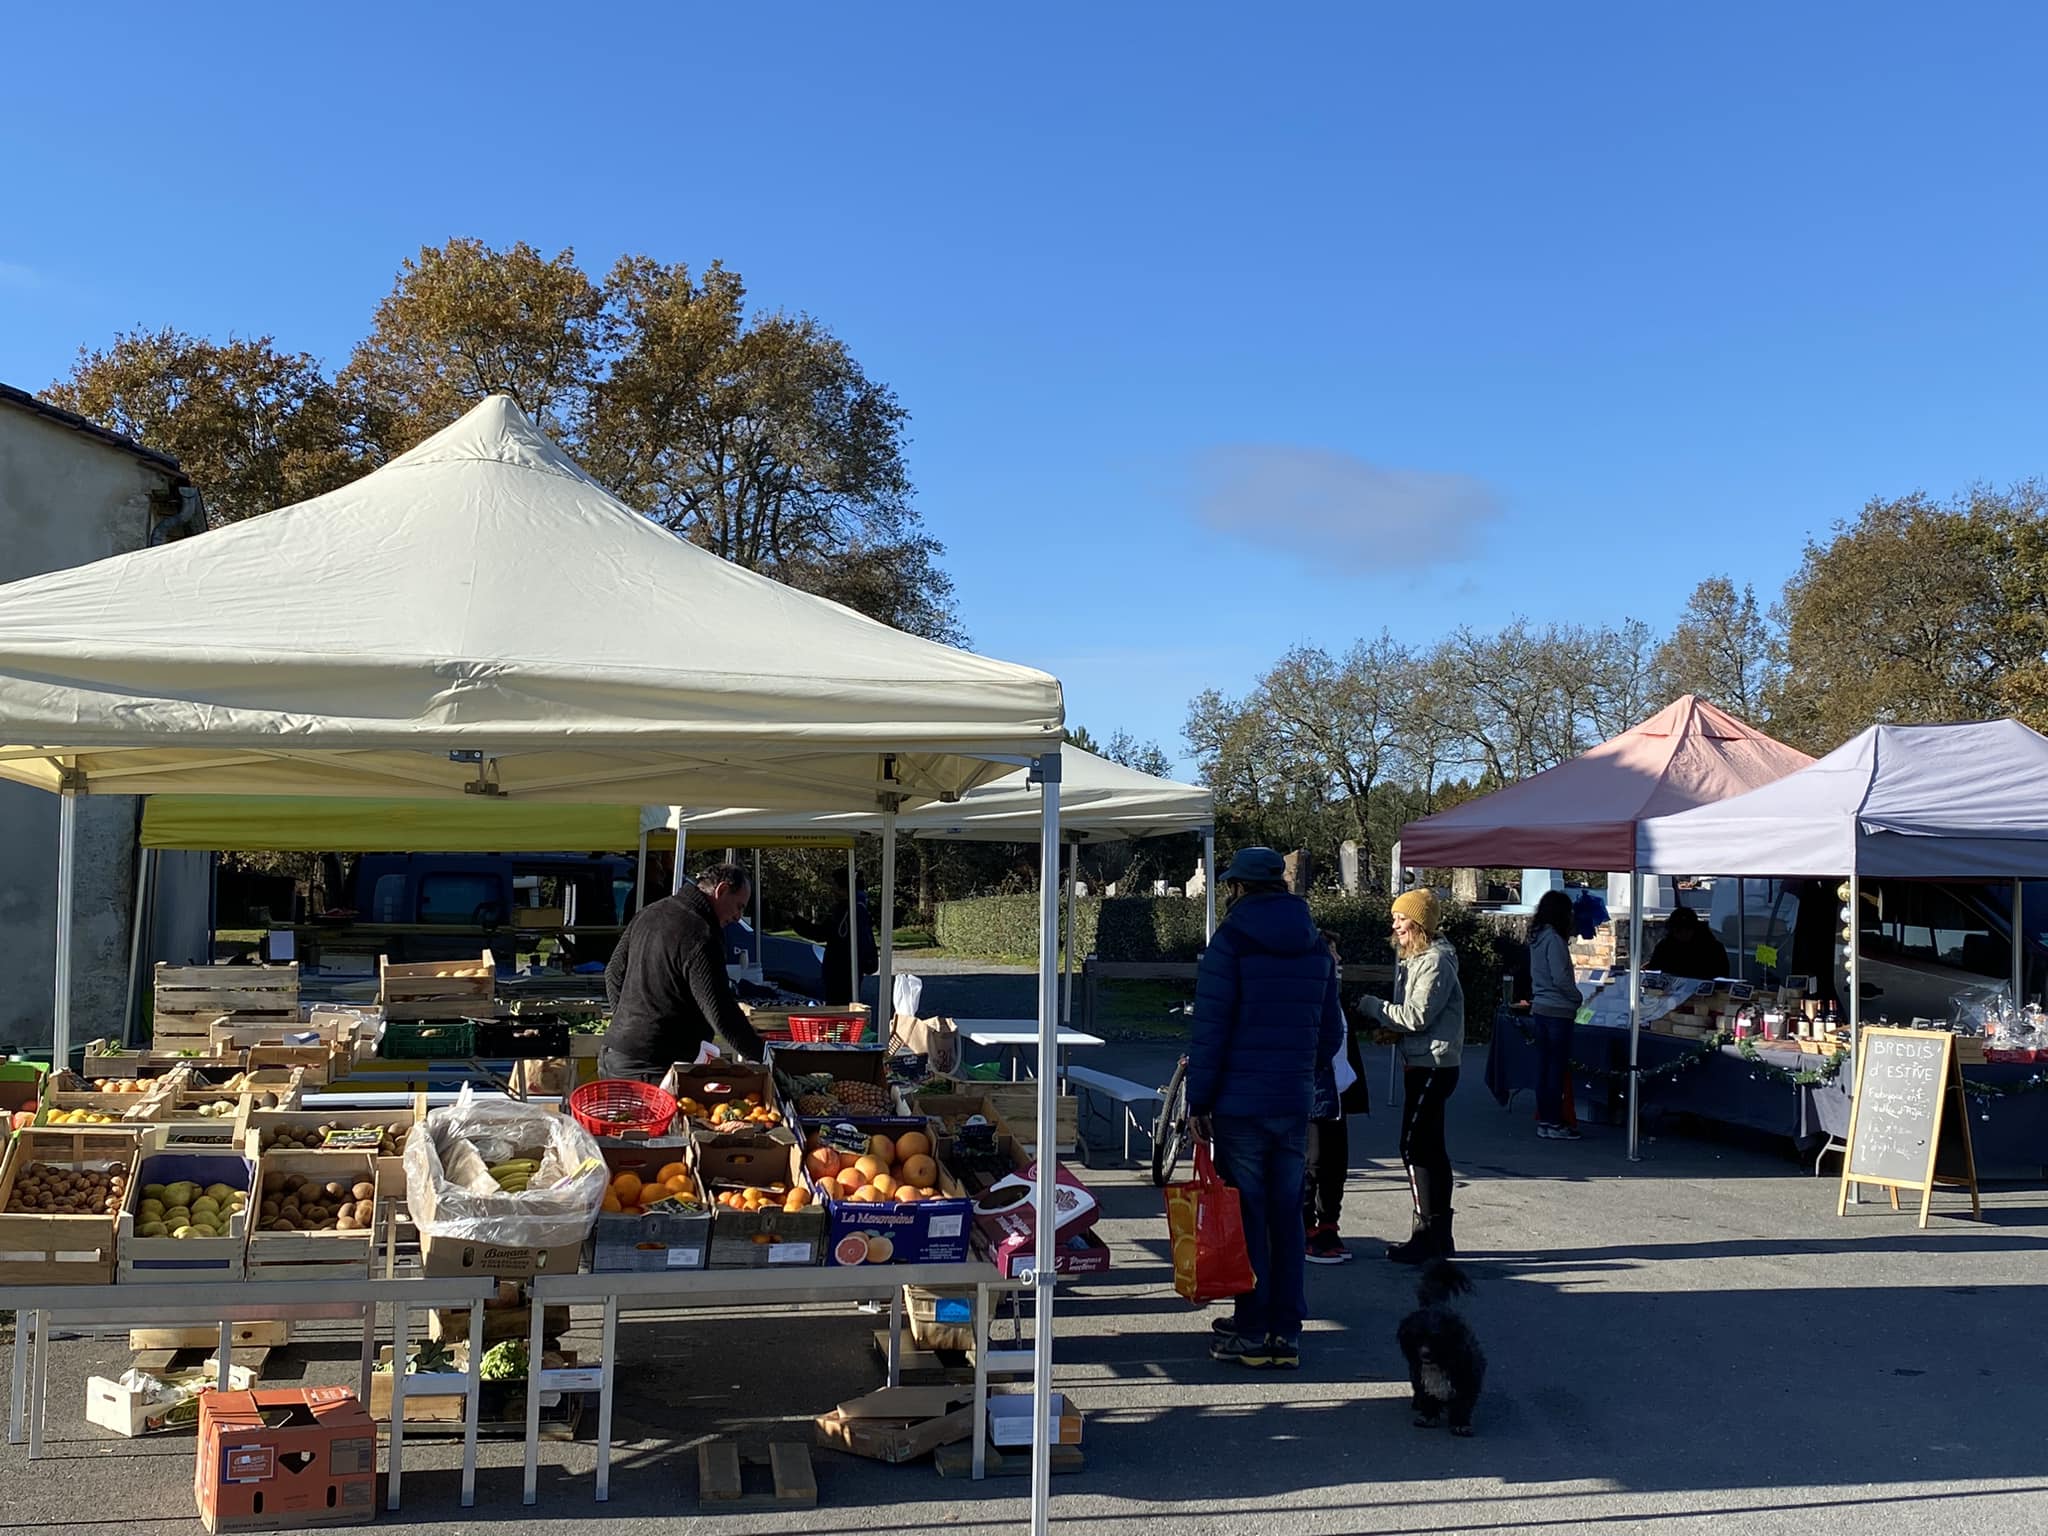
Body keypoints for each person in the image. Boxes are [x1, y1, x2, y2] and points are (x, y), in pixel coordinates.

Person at [1189, 847, 1343, 1370]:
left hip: (1239, 1100)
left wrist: (1199, 1099)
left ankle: (1253, 1328)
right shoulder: (1316, 945)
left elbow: (1211, 1030)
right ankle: (1285, 1329)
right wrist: (1301, 1071)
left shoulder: (1230, 942)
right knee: (1288, 1215)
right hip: (1292, 1099)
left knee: (1248, 1216)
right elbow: (1331, 1033)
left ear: (1236, 887)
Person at [1357, 888, 1466, 1264]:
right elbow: (1417, 1017)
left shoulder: (1435, 961)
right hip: (1422, 1060)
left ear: (1418, 923)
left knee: (1414, 1147)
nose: (1394, 924)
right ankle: (1439, 1236)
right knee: (1429, 1148)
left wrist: (1374, 1007)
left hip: (1434, 1066)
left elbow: (1418, 1015)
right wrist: (1394, 1031)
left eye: (1401, 918)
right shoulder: (1415, 959)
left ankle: (1427, 1233)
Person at [601, 864, 761, 1080]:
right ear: (721, 890)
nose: (738, 917)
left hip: (614, 1054)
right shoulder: (701, 933)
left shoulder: (650, 912)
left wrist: (626, 1022)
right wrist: (762, 1057)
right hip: (651, 1066)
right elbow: (720, 1010)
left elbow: (613, 973)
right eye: (738, 906)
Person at [1304, 930, 1371, 1264]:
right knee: (1314, 1162)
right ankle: (1304, 1230)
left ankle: (1328, 1226)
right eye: (1334, 951)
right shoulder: (1310, 994)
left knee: (1336, 1164)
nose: (1339, 959)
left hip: (1339, 1092)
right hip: (1317, 1091)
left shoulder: (1333, 995)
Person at [1524, 890, 1582, 1141]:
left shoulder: (1537, 938)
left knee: (1544, 1067)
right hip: (1559, 1008)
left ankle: (1545, 1119)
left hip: (1541, 1006)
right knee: (1556, 1069)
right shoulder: (1554, 940)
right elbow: (1560, 977)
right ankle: (1554, 1120)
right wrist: (1576, 996)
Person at [794, 883, 880, 1007]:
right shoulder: (859, 908)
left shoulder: (845, 911)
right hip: (851, 968)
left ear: (844, 890)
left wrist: (796, 922)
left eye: (836, 886)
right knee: (846, 1003)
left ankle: (839, 1025)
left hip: (840, 968)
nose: (833, 890)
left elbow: (821, 933)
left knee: (839, 1006)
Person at [1647, 903, 1729, 982]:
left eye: (1687, 929)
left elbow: (1722, 978)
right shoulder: (1664, 947)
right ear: (1672, 930)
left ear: (1695, 928)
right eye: (1678, 930)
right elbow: (1652, 973)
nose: (1683, 933)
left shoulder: (1712, 948)